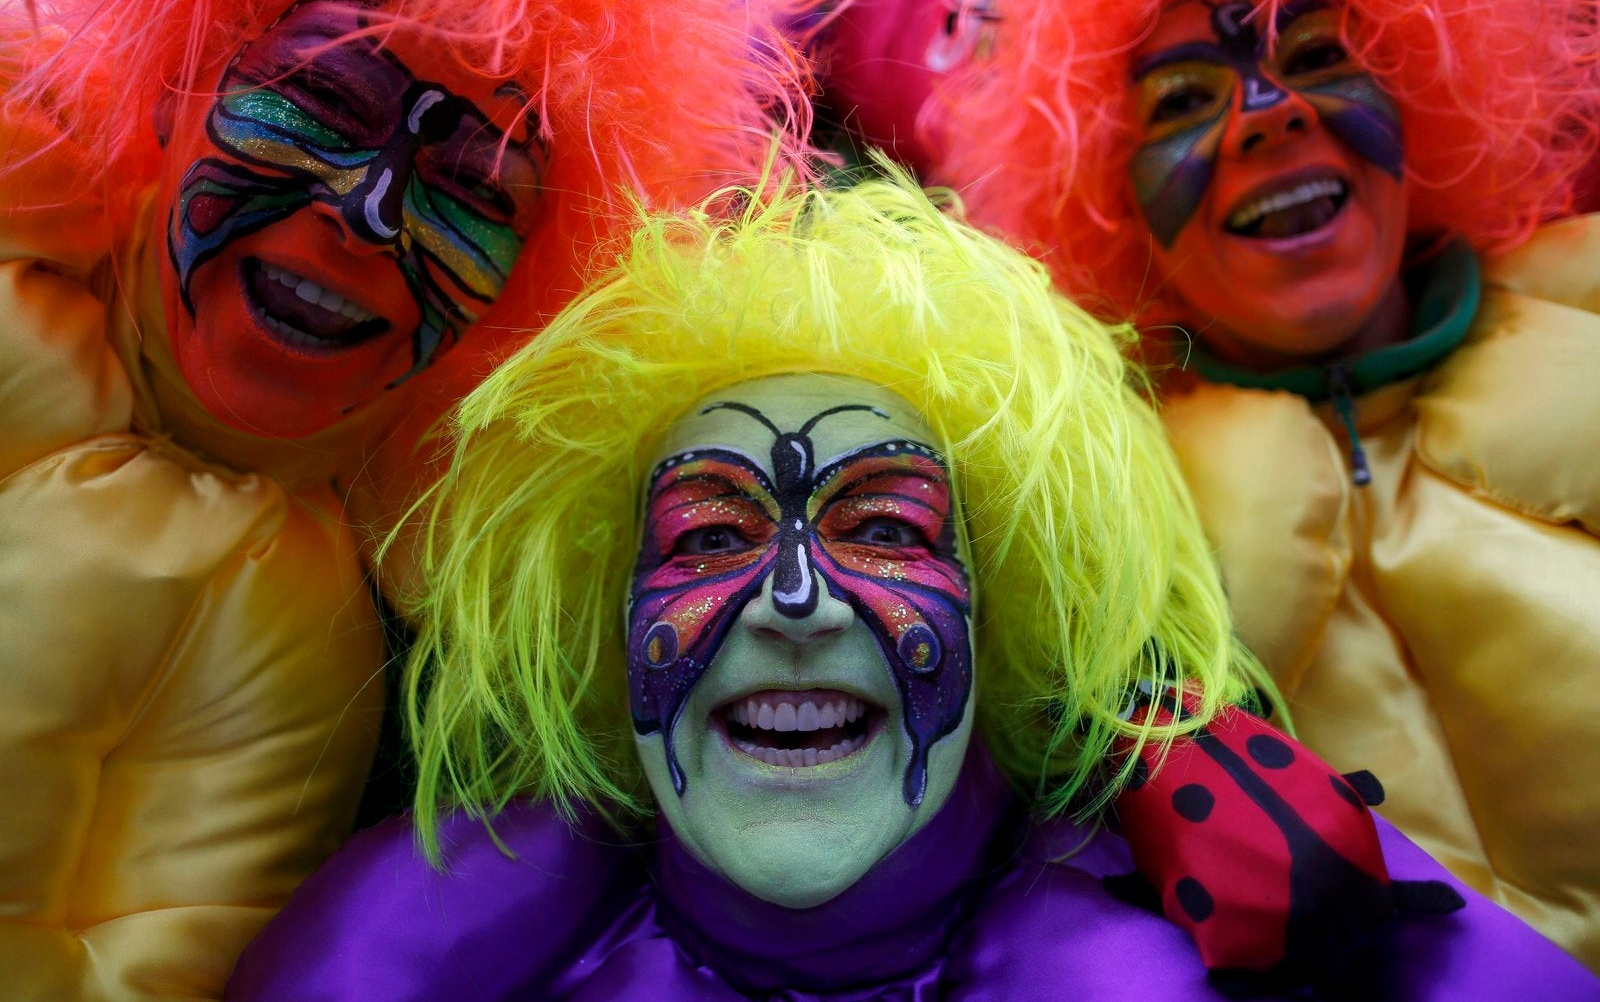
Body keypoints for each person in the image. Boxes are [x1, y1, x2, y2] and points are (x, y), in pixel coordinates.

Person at [226, 178, 1595, 999]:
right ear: (607, 617)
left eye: (885, 525)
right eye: (708, 538)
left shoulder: (1208, 902)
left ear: (998, 610)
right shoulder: (453, 922)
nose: (798, 599)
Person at [0, 0, 814, 994]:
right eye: (324, 99)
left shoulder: (299, 639)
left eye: (473, 187)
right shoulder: (22, 204)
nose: (370, 209)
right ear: (178, 83)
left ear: (524, 288)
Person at [932, 0, 1600, 969]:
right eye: (1182, 101)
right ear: (1101, 190)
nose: (1266, 113)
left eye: (1321, 54)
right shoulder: (1092, 514)